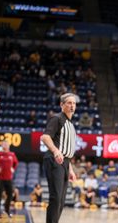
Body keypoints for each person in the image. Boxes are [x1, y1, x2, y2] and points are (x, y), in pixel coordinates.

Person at [41, 93, 78, 223]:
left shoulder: (71, 125)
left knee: (61, 200)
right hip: (54, 159)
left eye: (74, 103)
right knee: (56, 197)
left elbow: (67, 151)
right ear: (61, 105)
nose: (72, 105)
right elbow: (45, 137)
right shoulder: (57, 119)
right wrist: (55, 151)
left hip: (65, 163)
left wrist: (71, 169)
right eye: (69, 103)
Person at [0, 140, 18, 218]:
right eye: (3, 144)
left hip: (8, 178)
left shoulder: (12, 154)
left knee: (10, 194)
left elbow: (16, 163)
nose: (4, 145)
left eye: (6, 144)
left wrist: (13, 169)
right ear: (1, 145)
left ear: (8, 145)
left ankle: (6, 209)